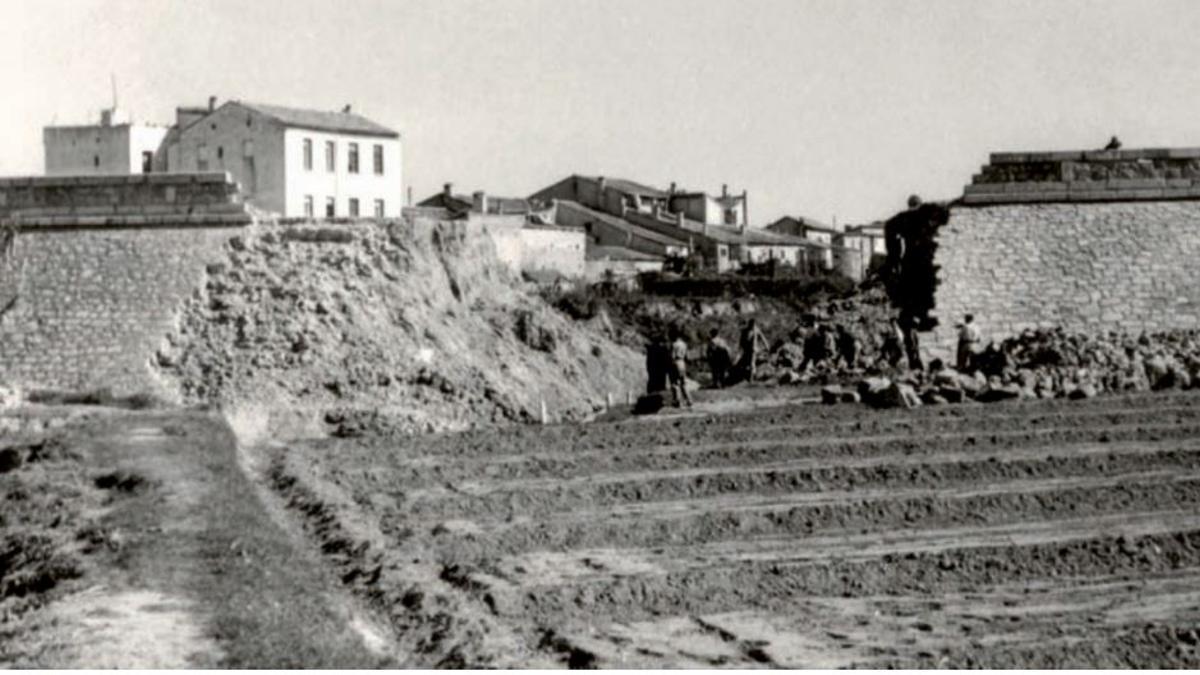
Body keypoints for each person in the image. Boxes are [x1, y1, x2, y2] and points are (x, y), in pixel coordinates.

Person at [669, 329, 693, 407]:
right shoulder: (684, 344)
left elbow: (672, 356)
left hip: (675, 362)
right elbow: (687, 356)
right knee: (683, 383)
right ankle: (689, 400)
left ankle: (677, 401)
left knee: (675, 383)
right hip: (682, 363)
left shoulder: (674, 344)